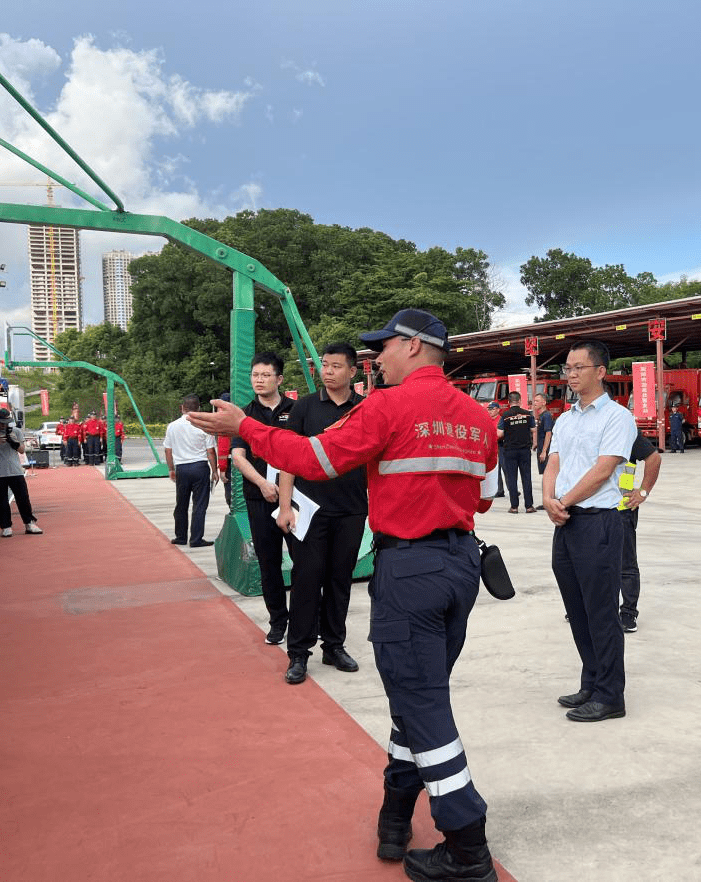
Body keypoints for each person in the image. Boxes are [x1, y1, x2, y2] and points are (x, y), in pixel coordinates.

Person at [190, 308, 501, 882]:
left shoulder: (384, 406)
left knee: (425, 709)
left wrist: (247, 428)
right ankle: (394, 816)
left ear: (412, 347)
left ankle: (467, 843)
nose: (373, 358)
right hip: (461, 568)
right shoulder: (479, 416)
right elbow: (484, 495)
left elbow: (313, 461)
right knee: (415, 697)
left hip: (410, 571)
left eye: (381, 347)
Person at [543, 339, 636, 723]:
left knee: (601, 612)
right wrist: (548, 498)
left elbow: (603, 471)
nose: (571, 374)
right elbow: (554, 462)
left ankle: (611, 694)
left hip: (599, 521)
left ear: (600, 371)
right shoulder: (565, 419)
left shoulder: (617, 417)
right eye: (567, 368)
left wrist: (564, 501)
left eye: (579, 367)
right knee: (577, 610)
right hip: (566, 523)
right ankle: (592, 681)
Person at [277, 343, 368, 685]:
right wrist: (285, 508)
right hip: (309, 510)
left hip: (352, 508)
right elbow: (288, 458)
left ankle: (334, 646)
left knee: (340, 579)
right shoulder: (304, 408)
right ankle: (299, 654)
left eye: (335, 366)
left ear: (352, 372)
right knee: (306, 578)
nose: (328, 372)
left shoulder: (366, 409)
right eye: (324, 366)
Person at [229, 353, 296, 645]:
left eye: (265, 375)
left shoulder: (298, 410)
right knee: (269, 564)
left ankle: (309, 619)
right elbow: (237, 456)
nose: (259, 380)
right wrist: (262, 484)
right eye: (255, 375)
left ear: (279, 379)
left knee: (306, 562)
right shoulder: (243, 416)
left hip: (295, 501)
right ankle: (278, 622)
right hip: (259, 498)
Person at [618, 434, 661, 633]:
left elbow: (654, 458)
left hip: (621, 507)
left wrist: (643, 492)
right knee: (589, 563)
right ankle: (589, 608)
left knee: (626, 563)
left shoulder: (624, 428)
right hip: (588, 508)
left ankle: (628, 612)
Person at [162, 395, 217, 548]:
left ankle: (180, 537)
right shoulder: (204, 425)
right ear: (198, 408)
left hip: (182, 468)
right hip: (200, 467)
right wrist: (215, 470)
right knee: (199, 505)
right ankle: (196, 539)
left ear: (182, 408)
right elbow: (210, 451)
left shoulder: (172, 426)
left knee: (181, 503)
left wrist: (171, 469)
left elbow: (168, 450)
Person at [0, 407, 43, 538]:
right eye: (2, 423)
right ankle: (6, 526)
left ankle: (29, 523)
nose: (4, 425)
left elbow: (21, 450)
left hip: (15, 470)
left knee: (23, 498)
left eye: (6, 422)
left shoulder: (16, 431)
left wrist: (13, 441)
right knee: (1, 500)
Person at [497, 391, 536, 513]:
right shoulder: (528, 415)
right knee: (526, 477)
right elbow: (533, 429)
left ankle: (514, 507)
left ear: (509, 402)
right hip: (524, 450)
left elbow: (499, 433)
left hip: (510, 451)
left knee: (512, 478)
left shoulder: (505, 415)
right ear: (520, 401)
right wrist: (534, 443)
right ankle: (529, 506)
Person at [532, 393, 554, 475]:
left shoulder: (546, 416)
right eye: (534, 401)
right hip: (540, 447)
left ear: (544, 402)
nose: (534, 403)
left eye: (537, 401)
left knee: (547, 474)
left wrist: (544, 451)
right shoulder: (540, 415)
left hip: (546, 450)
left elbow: (548, 433)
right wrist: (536, 443)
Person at [487, 401, 505, 498]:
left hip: (501, 446)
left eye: (492, 409)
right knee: (496, 470)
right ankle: (499, 490)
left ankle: (512, 489)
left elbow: (500, 434)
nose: (490, 411)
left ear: (498, 410)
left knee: (506, 469)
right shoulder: (488, 420)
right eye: (489, 409)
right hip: (492, 447)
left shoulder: (501, 420)